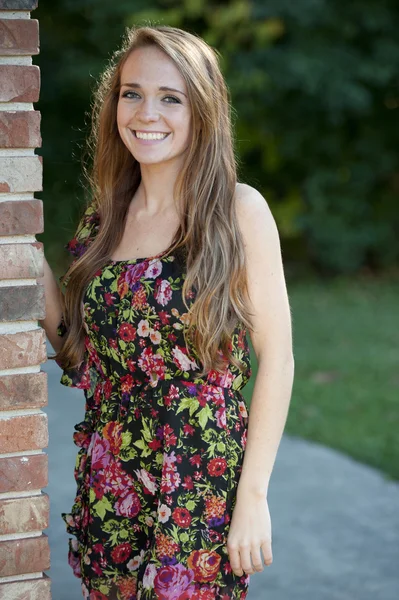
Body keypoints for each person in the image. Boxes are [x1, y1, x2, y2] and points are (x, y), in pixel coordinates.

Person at [39, 25, 294, 600]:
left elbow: (276, 356)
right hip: (110, 481)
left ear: (202, 110)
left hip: (200, 482)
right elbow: (77, 351)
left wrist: (253, 496)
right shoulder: (102, 220)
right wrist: (27, 262)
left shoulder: (237, 209)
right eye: (131, 92)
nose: (145, 112)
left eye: (169, 97)